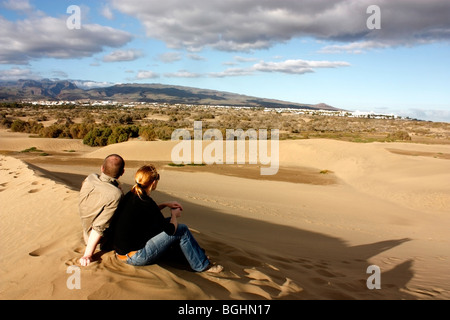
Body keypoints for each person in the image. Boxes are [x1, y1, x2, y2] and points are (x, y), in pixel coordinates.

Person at [113, 164, 223, 273]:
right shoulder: (146, 201)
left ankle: (193, 255)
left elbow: (149, 213)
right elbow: (171, 230)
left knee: (164, 223)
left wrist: (165, 204)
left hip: (123, 253)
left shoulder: (132, 194)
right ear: (154, 182)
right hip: (135, 257)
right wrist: (174, 215)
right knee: (181, 229)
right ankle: (201, 265)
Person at [78, 154, 125, 267]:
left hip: (86, 230)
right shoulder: (115, 194)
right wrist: (87, 255)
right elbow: (99, 227)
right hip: (102, 242)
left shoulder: (90, 178)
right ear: (122, 172)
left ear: (102, 168)